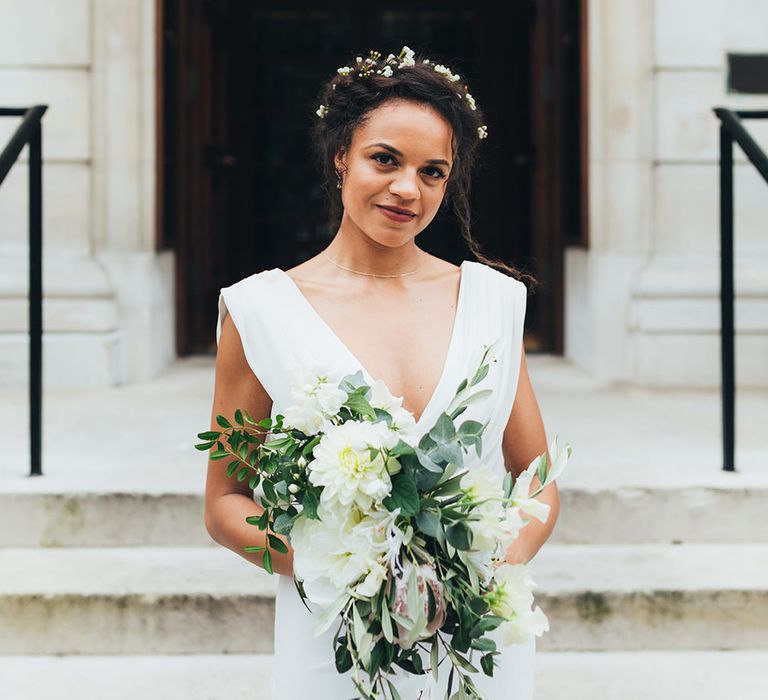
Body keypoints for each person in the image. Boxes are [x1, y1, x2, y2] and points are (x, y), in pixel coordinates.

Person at [205, 45, 560, 699]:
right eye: (385, 160)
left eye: (433, 172)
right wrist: (346, 570)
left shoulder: (493, 303)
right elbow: (225, 502)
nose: (407, 189)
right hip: (332, 643)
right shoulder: (259, 312)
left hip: (473, 646)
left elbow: (536, 479)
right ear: (342, 155)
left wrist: (474, 572)